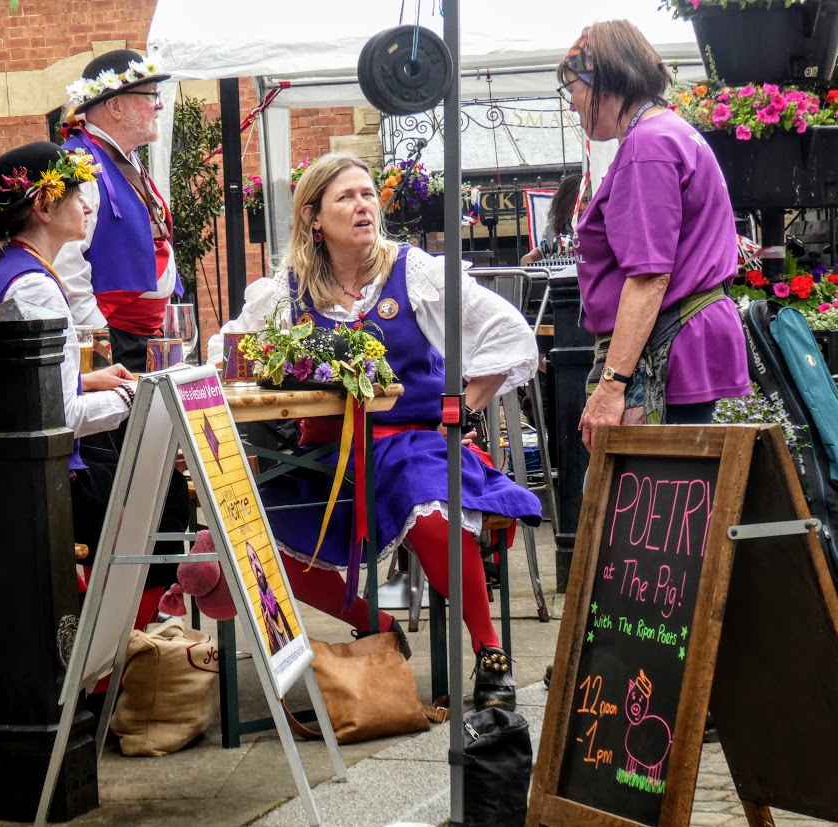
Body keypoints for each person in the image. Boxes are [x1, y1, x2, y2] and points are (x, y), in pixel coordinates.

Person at [208, 152, 543, 711]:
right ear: (314, 218)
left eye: (368, 194)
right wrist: (265, 374)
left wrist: (461, 409)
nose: (363, 205)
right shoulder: (287, 292)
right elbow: (229, 356)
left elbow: (507, 333)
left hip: (410, 440)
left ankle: (490, 656)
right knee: (255, 540)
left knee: (432, 511)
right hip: (321, 453)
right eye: (347, 197)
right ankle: (378, 623)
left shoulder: (414, 273)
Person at [0, 141, 189, 632]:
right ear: (45, 207)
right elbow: (57, 418)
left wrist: (88, 379)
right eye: (76, 196)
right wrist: (140, 396)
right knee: (163, 496)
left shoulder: (3, 270)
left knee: (134, 477)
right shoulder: (35, 285)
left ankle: (113, 640)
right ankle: (115, 656)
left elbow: (15, 386)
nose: (89, 205)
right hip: (8, 488)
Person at [558, 21, 750, 449]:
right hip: (680, 340)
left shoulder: (648, 146)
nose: (571, 104)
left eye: (572, 88)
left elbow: (648, 277)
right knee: (679, 503)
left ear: (603, 81)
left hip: (663, 351)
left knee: (642, 508)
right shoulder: (673, 133)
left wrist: (612, 385)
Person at [55, 49, 181, 370]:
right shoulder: (78, 164)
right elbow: (66, 263)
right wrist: (99, 339)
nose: (160, 105)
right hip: (116, 338)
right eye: (151, 95)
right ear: (115, 105)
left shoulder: (125, 157)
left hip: (147, 335)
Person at [520, 172, 584, 266]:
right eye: (575, 202)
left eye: (586, 200)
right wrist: (528, 258)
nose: (581, 207)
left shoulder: (602, 227)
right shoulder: (555, 230)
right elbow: (534, 255)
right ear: (564, 204)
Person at [246, 542, 294, 655]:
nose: (255, 563)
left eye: (255, 558)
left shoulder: (274, 595)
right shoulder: (259, 603)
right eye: (251, 561)